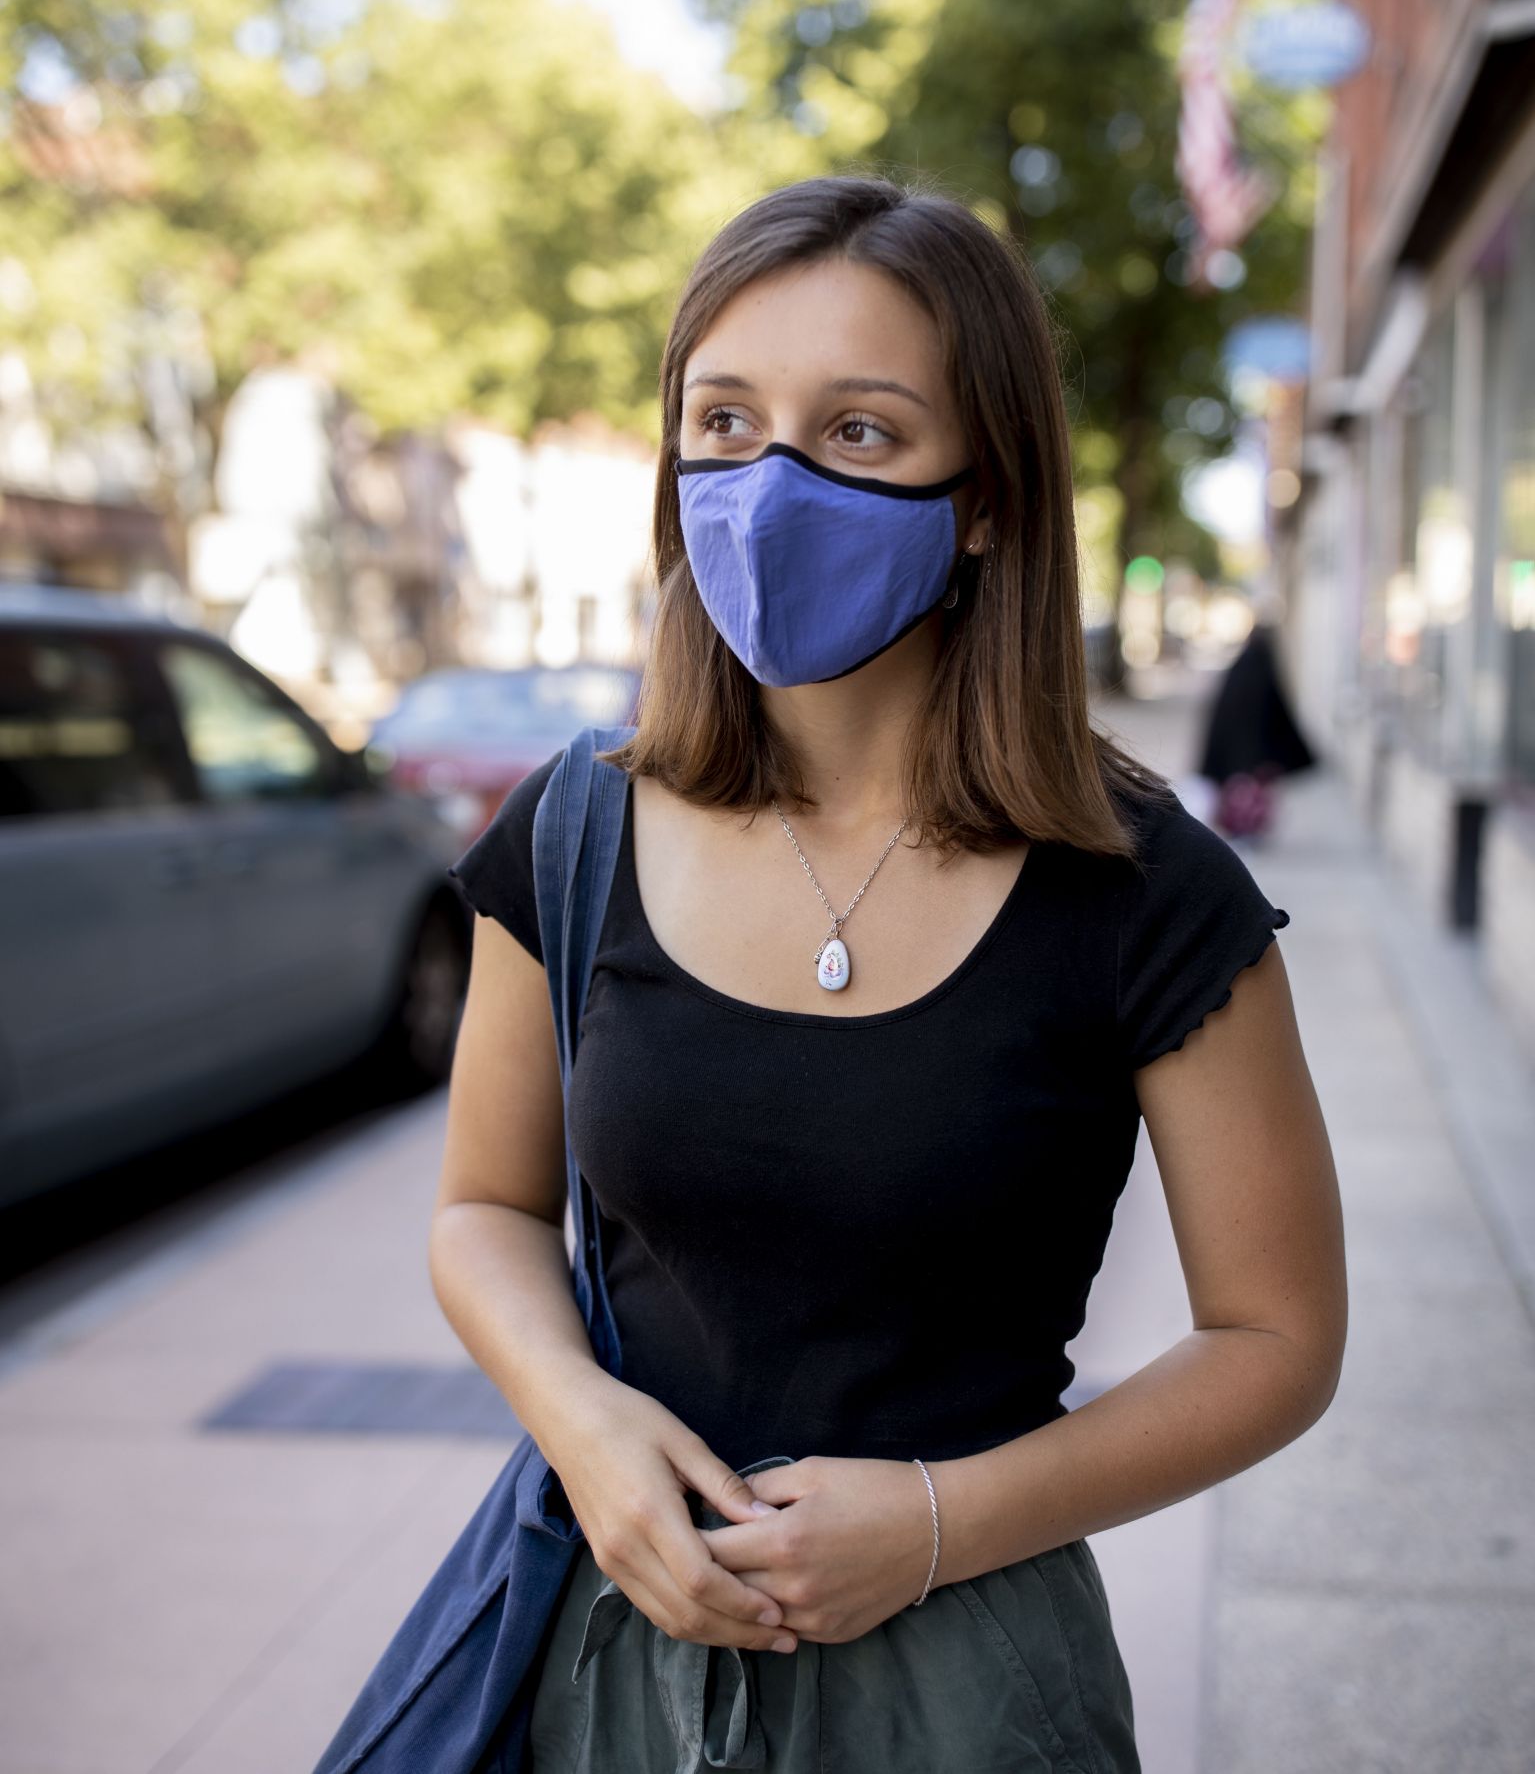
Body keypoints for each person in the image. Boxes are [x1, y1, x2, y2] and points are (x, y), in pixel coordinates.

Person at [438, 173, 1347, 1772]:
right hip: (615, 1654)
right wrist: (583, 1429)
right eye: (721, 422)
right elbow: (482, 1208)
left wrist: (934, 1519)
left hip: (973, 1681)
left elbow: (1274, 1338)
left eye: (857, 431)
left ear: (984, 492)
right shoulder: (574, 824)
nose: (768, 483)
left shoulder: (1144, 891)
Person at [1196, 606, 1319, 843]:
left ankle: (1244, 828)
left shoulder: (1246, 665)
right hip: (1250, 757)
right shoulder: (1257, 667)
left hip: (1243, 757)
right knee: (1244, 797)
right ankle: (1244, 828)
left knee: (1243, 796)